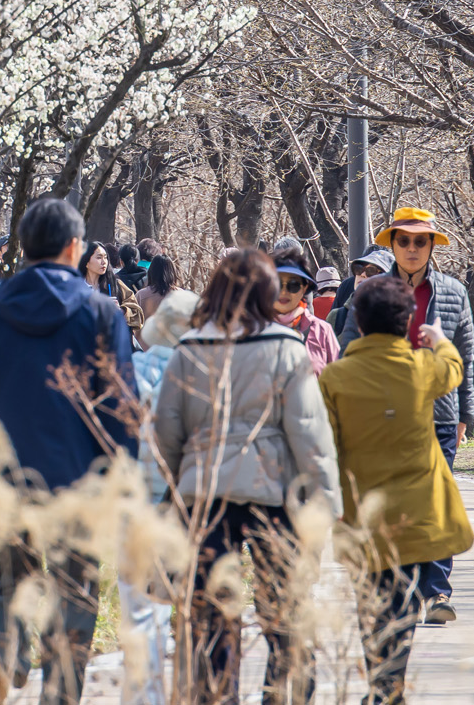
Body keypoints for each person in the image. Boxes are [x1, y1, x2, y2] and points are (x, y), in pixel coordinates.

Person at [0, 196, 137, 705]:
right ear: (75, 247)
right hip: (79, 480)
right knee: (76, 589)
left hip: (3, 479)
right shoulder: (100, 311)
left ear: (22, 249)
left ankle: (1, 656)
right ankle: (60, 694)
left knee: (12, 579)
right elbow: (121, 406)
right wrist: (128, 479)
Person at [154, 247, 339, 704]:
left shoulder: (189, 349)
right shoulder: (285, 347)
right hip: (271, 493)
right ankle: (284, 693)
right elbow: (309, 434)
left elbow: (165, 437)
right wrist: (327, 504)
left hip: (205, 496)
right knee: (284, 610)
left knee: (214, 615)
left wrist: (164, 503)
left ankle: (218, 695)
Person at [318, 274, 474, 705]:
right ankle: (390, 688)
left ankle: (380, 685)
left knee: (371, 604)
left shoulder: (335, 378)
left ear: (360, 323)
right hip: (412, 514)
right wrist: (439, 339)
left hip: (360, 514)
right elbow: (454, 370)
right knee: (403, 606)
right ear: (407, 322)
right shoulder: (420, 368)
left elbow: (326, 447)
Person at [336, 206, 474, 622]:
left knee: (436, 502)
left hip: (440, 412)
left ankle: (436, 592)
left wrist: (465, 412)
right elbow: (346, 350)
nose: (412, 248)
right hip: (383, 414)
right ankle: (395, 588)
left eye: (420, 241)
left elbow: (464, 355)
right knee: (390, 500)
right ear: (392, 245)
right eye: (404, 240)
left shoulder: (453, 291)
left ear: (432, 245)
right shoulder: (371, 290)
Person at [126, 287, 194, 705]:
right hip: (186, 502)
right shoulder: (202, 377)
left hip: (138, 501)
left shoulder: (132, 368)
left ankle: (143, 695)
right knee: (185, 603)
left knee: (142, 606)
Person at [268, 239, 339, 373]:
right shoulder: (253, 329)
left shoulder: (321, 331)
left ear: (304, 288)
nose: (284, 292)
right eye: (277, 283)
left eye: (293, 285)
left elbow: (338, 382)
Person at [81, 240, 142, 343]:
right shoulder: (77, 287)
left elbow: (138, 314)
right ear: (86, 261)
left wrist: (121, 311)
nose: (104, 262)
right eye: (99, 258)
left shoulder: (115, 285)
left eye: (105, 257)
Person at [328, 245, 391, 339]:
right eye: (359, 268)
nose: (362, 274)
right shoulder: (337, 316)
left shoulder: (402, 318)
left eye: (371, 271)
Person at [135, 251, 183, 320]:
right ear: (172, 272)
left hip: (147, 331)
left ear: (151, 272)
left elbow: (134, 322)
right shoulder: (181, 295)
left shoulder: (141, 295)